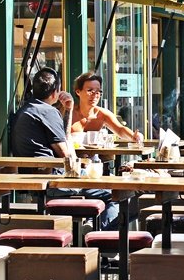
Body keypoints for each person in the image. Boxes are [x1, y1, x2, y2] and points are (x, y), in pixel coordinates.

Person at [11, 67, 119, 231]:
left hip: (34, 179)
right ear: (55, 92)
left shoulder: (24, 110)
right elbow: (67, 154)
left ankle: (91, 227)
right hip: (54, 181)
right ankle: (98, 238)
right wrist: (68, 110)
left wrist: (68, 110)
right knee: (118, 193)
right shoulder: (48, 111)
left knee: (106, 187)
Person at [70, 72, 143, 143]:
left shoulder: (102, 114)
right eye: (90, 90)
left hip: (94, 155)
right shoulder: (68, 112)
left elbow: (120, 129)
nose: (95, 95)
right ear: (78, 92)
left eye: (98, 91)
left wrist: (133, 136)